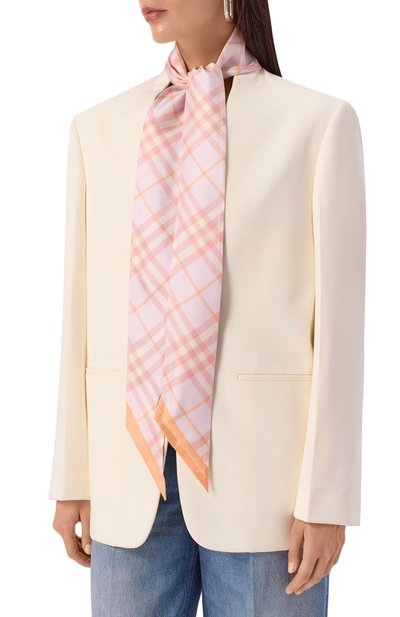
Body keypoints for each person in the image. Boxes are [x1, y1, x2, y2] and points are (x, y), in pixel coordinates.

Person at [48, 1, 366, 616]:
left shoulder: (317, 124)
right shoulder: (98, 129)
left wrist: (327, 497)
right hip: (130, 470)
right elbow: (79, 316)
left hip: (267, 487)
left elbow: (339, 328)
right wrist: (73, 476)